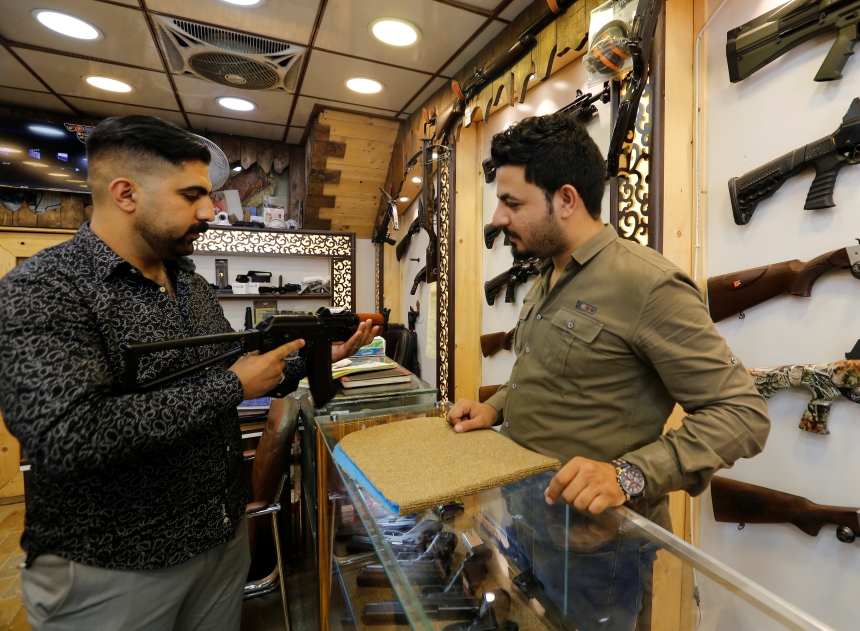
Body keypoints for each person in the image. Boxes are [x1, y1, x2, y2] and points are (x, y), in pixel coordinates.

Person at [0, 116, 377, 631]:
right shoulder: (43, 288)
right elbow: (67, 436)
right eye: (192, 195)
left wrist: (317, 359)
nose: (209, 211)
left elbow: (229, 370)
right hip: (114, 573)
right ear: (126, 193)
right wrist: (232, 385)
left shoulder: (190, 283)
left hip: (218, 544)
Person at [446, 113, 770, 629]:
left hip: (599, 551)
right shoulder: (548, 277)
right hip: (530, 522)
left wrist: (629, 474)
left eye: (511, 202)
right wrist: (494, 408)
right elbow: (548, 375)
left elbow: (743, 413)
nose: (499, 218)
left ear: (566, 200)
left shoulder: (647, 284)